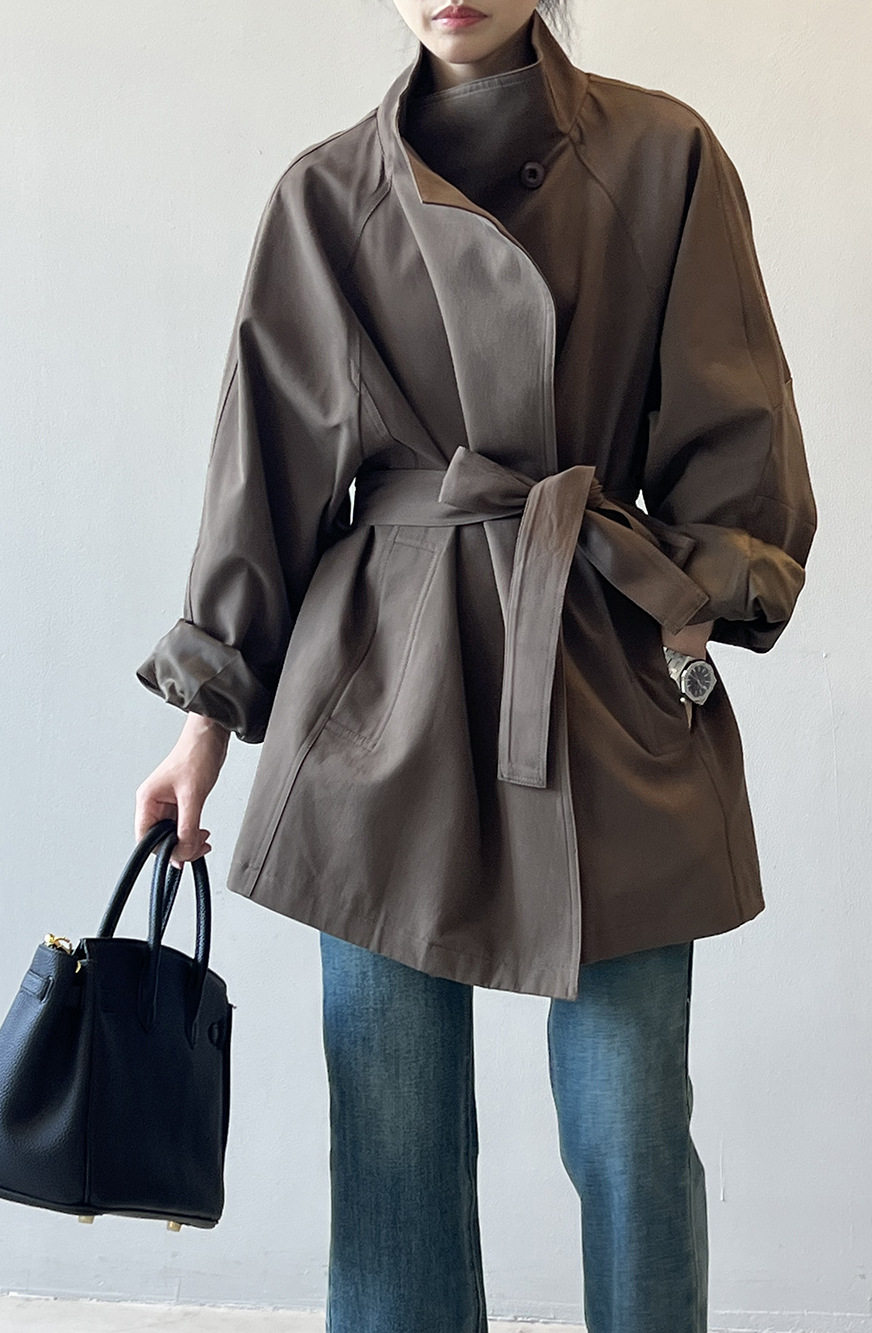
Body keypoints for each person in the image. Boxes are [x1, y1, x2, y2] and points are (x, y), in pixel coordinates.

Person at [134, 2, 817, 1329]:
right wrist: (201, 726)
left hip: (600, 657)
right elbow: (266, 476)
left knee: (633, 1129)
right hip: (379, 686)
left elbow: (736, 420)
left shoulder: (666, 156)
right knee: (391, 1152)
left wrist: (694, 603)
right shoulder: (328, 194)